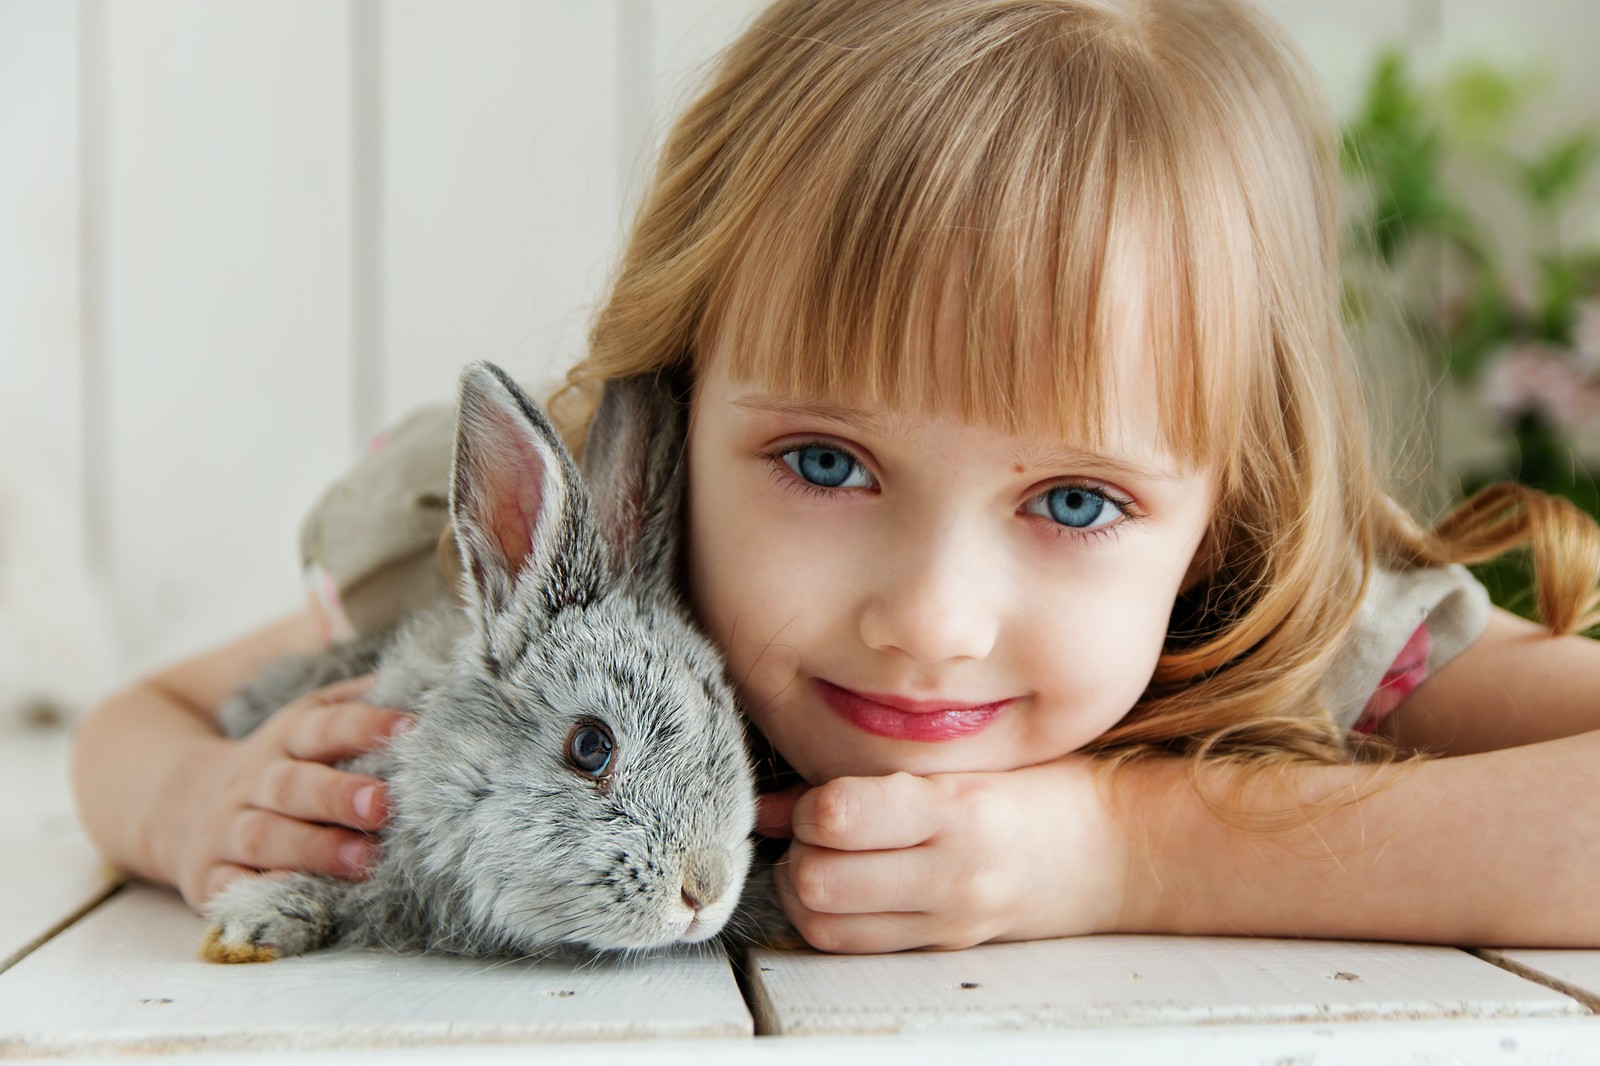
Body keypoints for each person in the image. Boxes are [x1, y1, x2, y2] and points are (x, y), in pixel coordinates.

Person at [73, 0, 1600, 954]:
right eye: (825, 460)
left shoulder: (1266, 617)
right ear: (680, 394)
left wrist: (1128, 849)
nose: (931, 620)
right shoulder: (574, 588)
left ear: (1223, 512)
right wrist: (201, 798)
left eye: (1074, 501)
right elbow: (133, 724)